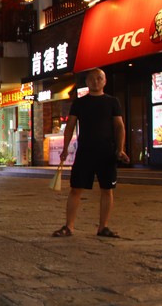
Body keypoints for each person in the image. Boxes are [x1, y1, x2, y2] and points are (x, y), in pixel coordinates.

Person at [53, 68, 130, 238]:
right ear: (87, 82)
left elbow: (119, 126)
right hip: (84, 152)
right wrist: (65, 148)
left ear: (105, 81)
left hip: (106, 152)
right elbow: (70, 126)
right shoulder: (79, 103)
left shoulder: (113, 102)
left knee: (107, 189)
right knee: (76, 189)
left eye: (99, 78)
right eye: (92, 79)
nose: (96, 81)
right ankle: (69, 226)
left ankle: (103, 227)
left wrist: (120, 149)